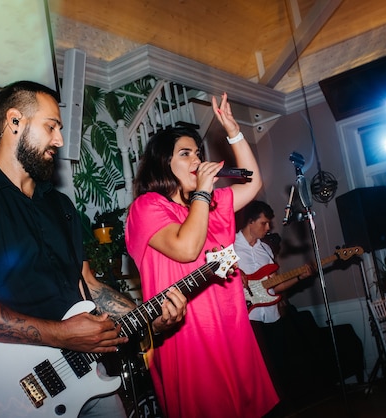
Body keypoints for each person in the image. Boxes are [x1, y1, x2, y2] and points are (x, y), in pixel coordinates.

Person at [0, 80, 187, 417]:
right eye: (51, 126)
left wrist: (148, 321)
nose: (60, 140)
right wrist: (62, 335)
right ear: (14, 122)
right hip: (13, 388)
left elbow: (90, 287)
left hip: (84, 374)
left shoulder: (61, 206)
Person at [125, 92, 278, 418]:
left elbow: (251, 181)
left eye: (197, 153)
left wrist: (234, 132)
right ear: (164, 162)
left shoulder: (212, 204)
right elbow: (186, 248)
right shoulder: (148, 207)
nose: (196, 160)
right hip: (189, 337)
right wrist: (204, 191)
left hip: (232, 327)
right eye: (185, 154)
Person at [235, 200, 312, 415]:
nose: (268, 228)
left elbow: (276, 286)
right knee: (255, 376)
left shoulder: (266, 251)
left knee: (280, 370)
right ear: (250, 222)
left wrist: (299, 276)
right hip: (247, 319)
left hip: (272, 316)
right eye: (264, 223)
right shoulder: (229, 248)